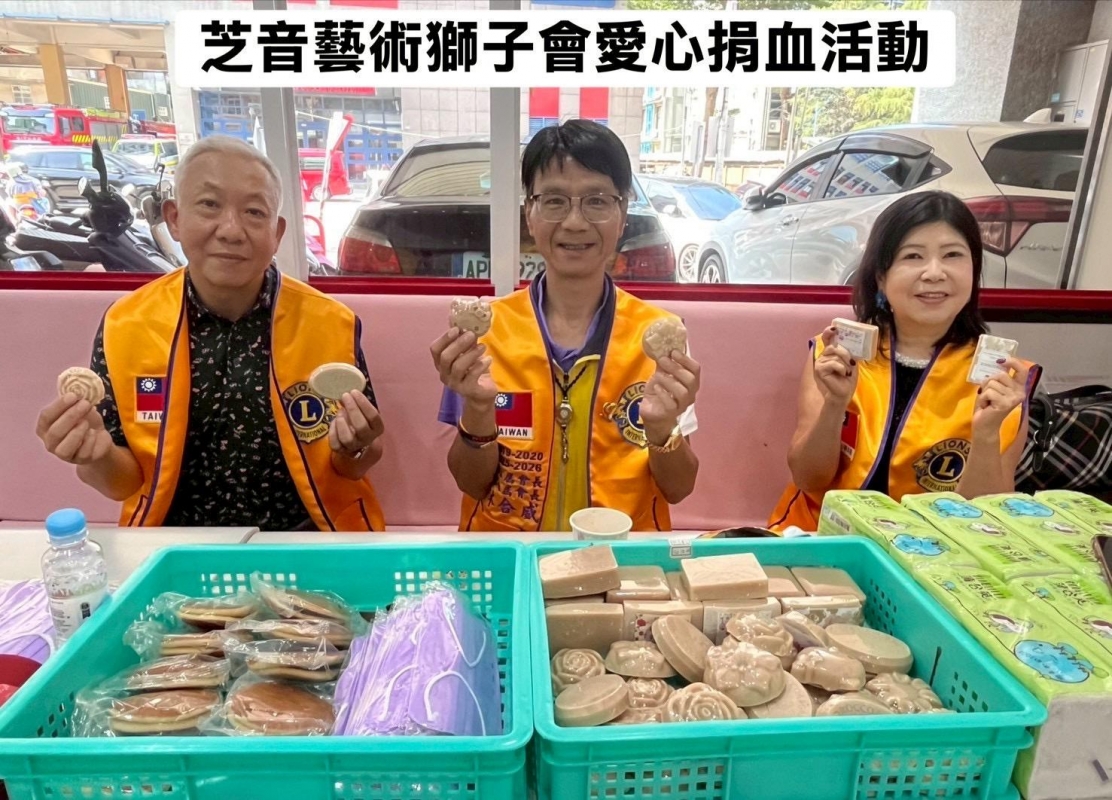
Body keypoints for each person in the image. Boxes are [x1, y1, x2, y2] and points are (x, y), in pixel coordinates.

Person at [34, 135, 387, 531]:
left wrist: (358, 449)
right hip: (175, 543)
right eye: (209, 204)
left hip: (305, 541)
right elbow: (124, 484)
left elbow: (353, 463)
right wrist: (94, 455)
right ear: (174, 218)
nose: (231, 230)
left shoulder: (330, 323)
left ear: (277, 233)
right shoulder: (127, 324)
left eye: (254, 212)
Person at [430, 119, 701, 532]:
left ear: (622, 215)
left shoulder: (660, 337)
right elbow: (471, 482)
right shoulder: (484, 336)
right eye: (554, 201)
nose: (575, 222)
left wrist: (662, 429)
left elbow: (679, 488)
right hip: (512, 555)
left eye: (597, 201)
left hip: (621, 561)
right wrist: (480, 410)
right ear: (530, 213)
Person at [769, 191, 1038, 533]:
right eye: (913, 256)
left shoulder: (1001, 377)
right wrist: (835, 406)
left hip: (933, 547)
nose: (934, 273)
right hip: (823, 537)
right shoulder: (837, 353)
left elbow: (983, 520)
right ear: (881, 276)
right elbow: (808, 479)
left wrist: (985, 435)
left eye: (953, 255)